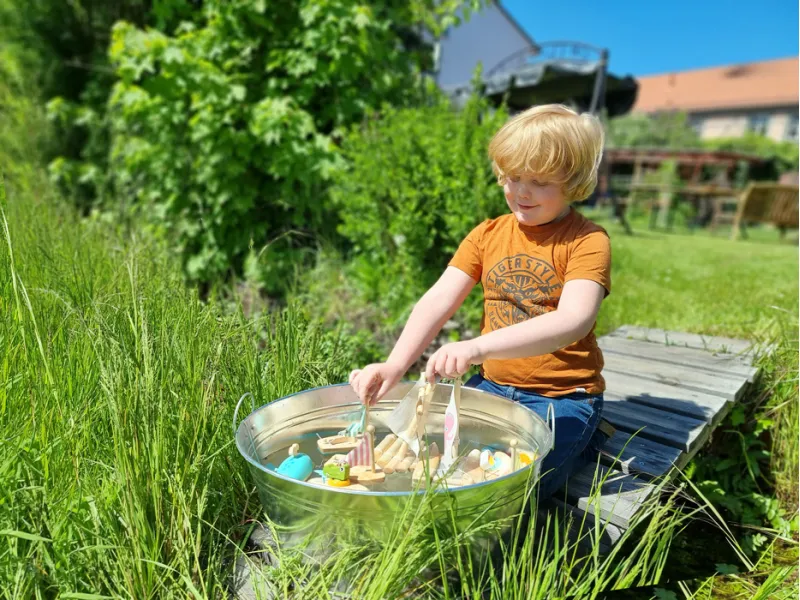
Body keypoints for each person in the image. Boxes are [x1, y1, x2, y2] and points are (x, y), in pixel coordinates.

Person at [349, 104, 610, 499]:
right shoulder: (488, 234)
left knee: (516, 487)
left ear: (572, 182)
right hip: (492, 386)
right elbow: (438, 299)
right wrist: (395, 363)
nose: (521, 191)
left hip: (562, 398)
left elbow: (573, 319)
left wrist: (477, 346)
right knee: (441, 464)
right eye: (513, 177)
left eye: (539, 181)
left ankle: (583, 441)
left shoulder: (587, 241)